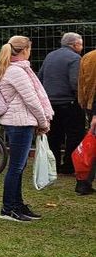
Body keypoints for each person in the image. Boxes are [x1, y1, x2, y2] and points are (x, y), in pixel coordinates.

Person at [0, 36, 53, 222]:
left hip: (19, 122)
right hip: (20, 123)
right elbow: (32, 100)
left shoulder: (12, 69)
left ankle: (17, 204)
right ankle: (9, 208)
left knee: (19, 166)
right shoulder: (17, 72)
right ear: (24, 50)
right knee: (16, 167)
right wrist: (43, 122)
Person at [39, 32, 85, 175]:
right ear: (75, 44)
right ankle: (69, 166)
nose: (82, 47)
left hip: (51, 102)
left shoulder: (50, 56)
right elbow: (75, 82)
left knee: (54, 135)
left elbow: (40, 76)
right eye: (81, 44)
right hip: (69, 102)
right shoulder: (75, 58)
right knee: (74, 134)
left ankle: (54, 165)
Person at [78, 48, 96, 195]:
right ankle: (84, 183)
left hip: (90, 105)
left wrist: (84, 103)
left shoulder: (88, 56)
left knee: (92, 147)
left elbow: (81, 82)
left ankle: (83, 182)